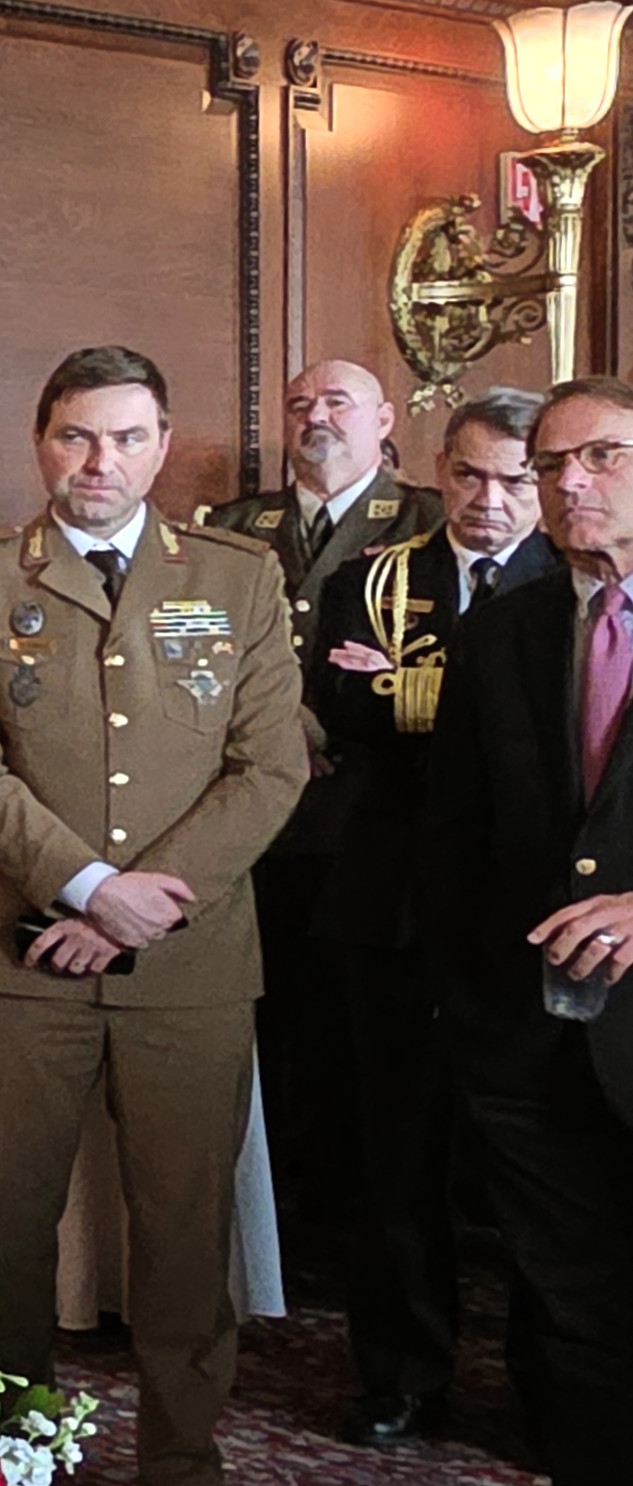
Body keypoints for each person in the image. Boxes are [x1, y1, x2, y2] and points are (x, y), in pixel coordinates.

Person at [0, 345, 305, 1486]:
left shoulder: (237, 577)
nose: (102, 460)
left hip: (192, 964)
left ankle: (182, 1458)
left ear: (163, 446)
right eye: (77, 435)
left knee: (185, 1230)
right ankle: (9, 1450)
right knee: (5, 1229)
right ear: (41, 442)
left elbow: (270, 769)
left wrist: (137, 908)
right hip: (23, 957)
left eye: (128, 437)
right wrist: (91, 889)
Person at [305, 386, 555, 1447]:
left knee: (535, 1169)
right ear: (436, 470)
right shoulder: (370, 578)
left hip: (527, 912)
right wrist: (427, 700)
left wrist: (411, 689)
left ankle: (548, 1388)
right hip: (392, 903)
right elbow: (345, 710)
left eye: (515, 480)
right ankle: (401, 1375)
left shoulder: (575, 583)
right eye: (469, 475)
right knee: (396, 1155)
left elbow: (532, 730)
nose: (489, 501)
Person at [409, 376, 633, 1486]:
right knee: (568, 1299)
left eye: (601, 457)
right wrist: (470, 1016)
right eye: (550, 464)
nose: (568, 482)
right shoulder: (503, 628)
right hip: (524, 1038)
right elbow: (456, 833)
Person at [192, 359, 441, 1223]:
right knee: (263, 1017)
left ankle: (340, 1212)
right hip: (250, 815)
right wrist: (284, 721)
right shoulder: (232, 527)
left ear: (383, 420)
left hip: (364, 815)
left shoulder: (424, 521)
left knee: (351, 1026)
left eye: (337, 402)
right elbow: (196, 651)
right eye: (299, 404)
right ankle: (268, 1208)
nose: (316, 417)